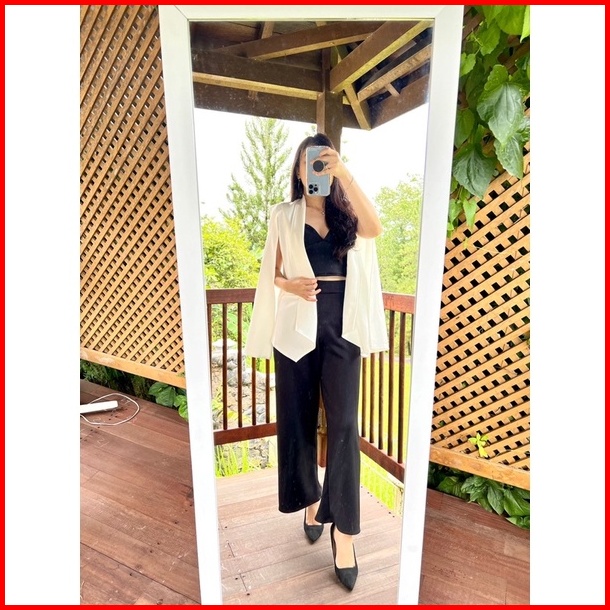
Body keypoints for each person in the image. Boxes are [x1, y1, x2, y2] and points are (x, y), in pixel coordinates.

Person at [244, 132, 388, 591]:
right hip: (297, 325)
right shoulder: (283, 215)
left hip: (343, 326)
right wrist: (289, 286)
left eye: (324, 162)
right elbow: (272, 272)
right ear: (298, 168)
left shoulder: (348, 216)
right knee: (298, 418)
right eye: (310, 162)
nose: (316, 170)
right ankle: (309, 500)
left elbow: (375, 229)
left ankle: (344, 534)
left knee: (344, 425)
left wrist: (345, 172)